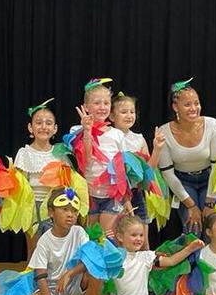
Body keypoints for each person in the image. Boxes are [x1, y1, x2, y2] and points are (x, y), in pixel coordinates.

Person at [23, 187, 101, 295]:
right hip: (52, 289)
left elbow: (90, 259)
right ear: (51, 212)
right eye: (65, 209)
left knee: (97, 269)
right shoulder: (45, 241)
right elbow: (40, 276)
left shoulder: (79, 232)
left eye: (74, 211)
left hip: (73, 284)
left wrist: (69, 274)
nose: (70, 215)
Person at [106, 214, 202, 295]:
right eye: (133, 235)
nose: (139, 239)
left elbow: (171, 261)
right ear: (120, 237)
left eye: (141, 235)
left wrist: (189, 249)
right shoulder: (114, 256)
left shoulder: (146, 256)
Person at [157, 78, 216, 234]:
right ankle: (193, 259)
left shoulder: (212, 125)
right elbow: (167, 174)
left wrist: (209, 203)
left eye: (196, 103)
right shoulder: (164, 132)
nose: (194, 108)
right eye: (187, 104)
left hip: (210, 179)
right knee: (193, 228)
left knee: (214, 226)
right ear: (175, 107)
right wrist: (191, 206)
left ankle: (214, 259)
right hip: (183, 182)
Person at [110, 91, 166, 249]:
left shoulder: (139, 139)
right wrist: (125, 200)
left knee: (142, 241)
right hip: (117, 196)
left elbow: (148, 171)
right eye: (123, 112)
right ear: (112, 117)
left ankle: (146, 272)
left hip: (136, 193)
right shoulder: (110, 137)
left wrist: (157, 149)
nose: (129, 115)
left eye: (132, 112)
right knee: (119, 241)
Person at [72, 78, 125, 234]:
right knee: (91, 237)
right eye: (97, 103)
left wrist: (125, 199)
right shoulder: (77, 130)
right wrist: (87, 131)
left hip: (112, 196)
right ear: (86, 107)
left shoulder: (117, 134)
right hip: (89, 193)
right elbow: (85, 161)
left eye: (106, 103)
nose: (102, 107)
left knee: (107, 238)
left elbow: (122, 169)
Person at [14, 98, 60, 257]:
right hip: (31, 206)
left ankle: (51, 281)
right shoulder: (24, 153)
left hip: (54, 207)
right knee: (33, 250)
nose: (43, 126)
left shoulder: (60, 153)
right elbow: (19, 183)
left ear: (55, 129)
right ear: (30, 127)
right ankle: (33, 281)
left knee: (53, 249)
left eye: (48, 123)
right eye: (38, 122)